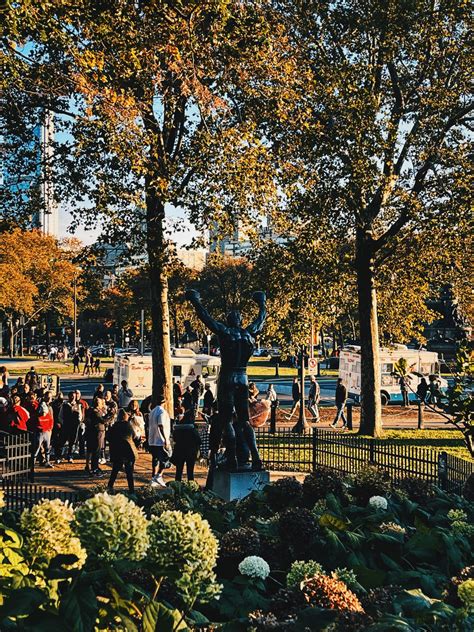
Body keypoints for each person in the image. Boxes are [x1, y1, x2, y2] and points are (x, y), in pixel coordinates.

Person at [186, 288, 266, 471]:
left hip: (228, 376)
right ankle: (256, 456)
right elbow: (260, 319)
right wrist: (262, 303)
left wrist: (196, 300)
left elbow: (206, 319)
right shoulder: (249, 333)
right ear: (241, 321)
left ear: (230, 321)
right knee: (245, 421)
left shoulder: (225, 332)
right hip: (243, 377)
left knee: (226, 420)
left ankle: (231, 457)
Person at [107, 409, 138, 493]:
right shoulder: (128, 425)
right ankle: (131, 490)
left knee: (115, 470)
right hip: (128, 450)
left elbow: (108, 437)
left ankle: (110, 486)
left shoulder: (114, 426)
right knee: (129, 472)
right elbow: (134, 436)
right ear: (125, 417)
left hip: (117, 451)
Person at [147, 395, 171, 487]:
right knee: (166, 457)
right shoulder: (162, 412)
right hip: (160, 440)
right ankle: (159, 475)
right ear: (164, 402)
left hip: (152, 440)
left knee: (155, 459)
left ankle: (153, 477)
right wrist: (165, 439)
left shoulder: (152, 412)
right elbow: (161, 425)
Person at [172, 409, 201, 482]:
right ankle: (191, 486)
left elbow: (175, 438)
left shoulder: (178, 426)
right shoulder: (192, 428)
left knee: (178, 471)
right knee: (190, 471)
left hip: (179, 450)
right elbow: (198, 440)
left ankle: (177, 485)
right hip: (191, 451)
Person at [84, 396, 106, 476]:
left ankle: (94, 467)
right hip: (97, 432)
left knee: (93, 449)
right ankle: (95, 468)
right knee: (96, 450)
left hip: (94, 431)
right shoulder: (95, 411)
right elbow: (103, 420)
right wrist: (111, 415)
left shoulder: (91, 410)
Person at [58, 392, 82, 463]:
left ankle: (70, 456)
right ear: (68, 397)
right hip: (66, 426)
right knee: (62, 441)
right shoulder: (64, 405)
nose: (73, 398)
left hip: (74, 426)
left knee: (72, 442)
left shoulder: (78, 405)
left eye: (74, 396)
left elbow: (80, 416)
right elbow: (60, 415)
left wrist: (78, 422)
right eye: (71, 396)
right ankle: (60, 456)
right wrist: (63, 423)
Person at [35, 391, 54, 467]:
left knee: (47, 448)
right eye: (48, 397)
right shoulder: (42, 405)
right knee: (37, 448)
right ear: (44, 397)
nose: (49, 399)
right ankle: (32, 465)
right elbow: (40, 415)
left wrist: (50, 428)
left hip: (48, 429)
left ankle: (47, 461)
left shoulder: (50, 406)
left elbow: (51, 418)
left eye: (50, 397)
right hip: (41, 430)